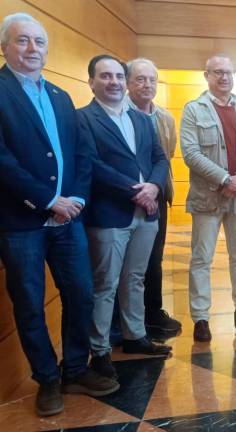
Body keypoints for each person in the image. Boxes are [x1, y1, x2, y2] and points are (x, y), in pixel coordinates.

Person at [0, 13, 119, 416]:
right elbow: (2, 161)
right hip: (21, 223)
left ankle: (74, 369)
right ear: (5, 47)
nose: (33, 49)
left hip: (69, 220)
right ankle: (47, 380)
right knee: (31, 304)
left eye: (39, 42)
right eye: (23, 41)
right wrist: (49, 199)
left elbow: (82, 155)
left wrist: (77, 201)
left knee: (81, 295)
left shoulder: (59, 96)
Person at [79, 54, 172, 380]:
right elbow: (91, 164)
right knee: (105, 284)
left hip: (146, 214)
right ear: (91, 82)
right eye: (106, 76)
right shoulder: (84, 119)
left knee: (135, 278)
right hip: (109, 215)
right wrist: (138, 190)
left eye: (118, 76)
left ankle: (135, 336)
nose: (114, 82)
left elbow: (160, 158)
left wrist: (155, 187)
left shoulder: (142, 119)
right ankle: (100, 350)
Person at [180, 54, 236, 342]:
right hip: (208, 197)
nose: (224, 77)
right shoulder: (194, 110)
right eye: (217, 72)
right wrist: (225, 179)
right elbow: (191, 154)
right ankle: (201, 318)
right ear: (207, 75)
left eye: (228, 72)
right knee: (201, 257)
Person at [126, 57, 182, 337]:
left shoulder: (165, 118)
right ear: (127, 82)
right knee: (127, 264)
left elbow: (166, 155)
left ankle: (152, 312)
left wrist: (154, 188)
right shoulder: (117, 112)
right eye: (140, 78)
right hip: (124, 197)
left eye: (152, 79)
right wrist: (139, 189)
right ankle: (127, 322)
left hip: (157, 195)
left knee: (153, 258)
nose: (147, 84)